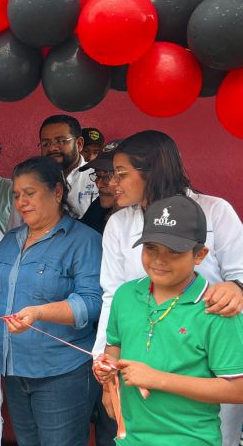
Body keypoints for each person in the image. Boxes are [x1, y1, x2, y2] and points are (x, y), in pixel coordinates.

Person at [94, 130, 243, 446]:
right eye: (150, 248)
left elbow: (240, 274)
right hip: (138, 365)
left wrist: (237, 287)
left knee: (214, 435)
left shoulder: (215, 211)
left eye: (121, 174)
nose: (112, 183)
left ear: (151, 171)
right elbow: (112, 296)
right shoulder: (119, 224)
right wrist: (103, 361)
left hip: (206, 358)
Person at [0, 156, 103, 446]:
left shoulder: (83, 241)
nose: (21, 202)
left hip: (62, 372)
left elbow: (92, 302)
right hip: (14, 369)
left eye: (30, 193)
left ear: (57, 191)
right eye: (16, 195)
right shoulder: (10, 240)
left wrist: (40, 312)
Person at [39, 115, 98, 217]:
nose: (52, 148)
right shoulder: (35, 180)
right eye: (45, 143)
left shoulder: (98, 178)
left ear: (79, 144)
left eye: (61, 141)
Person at [79, 140, 123, 235]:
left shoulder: (154, 218)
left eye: (107, 177)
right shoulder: (98, 207)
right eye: (97, 175)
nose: (98, 184)